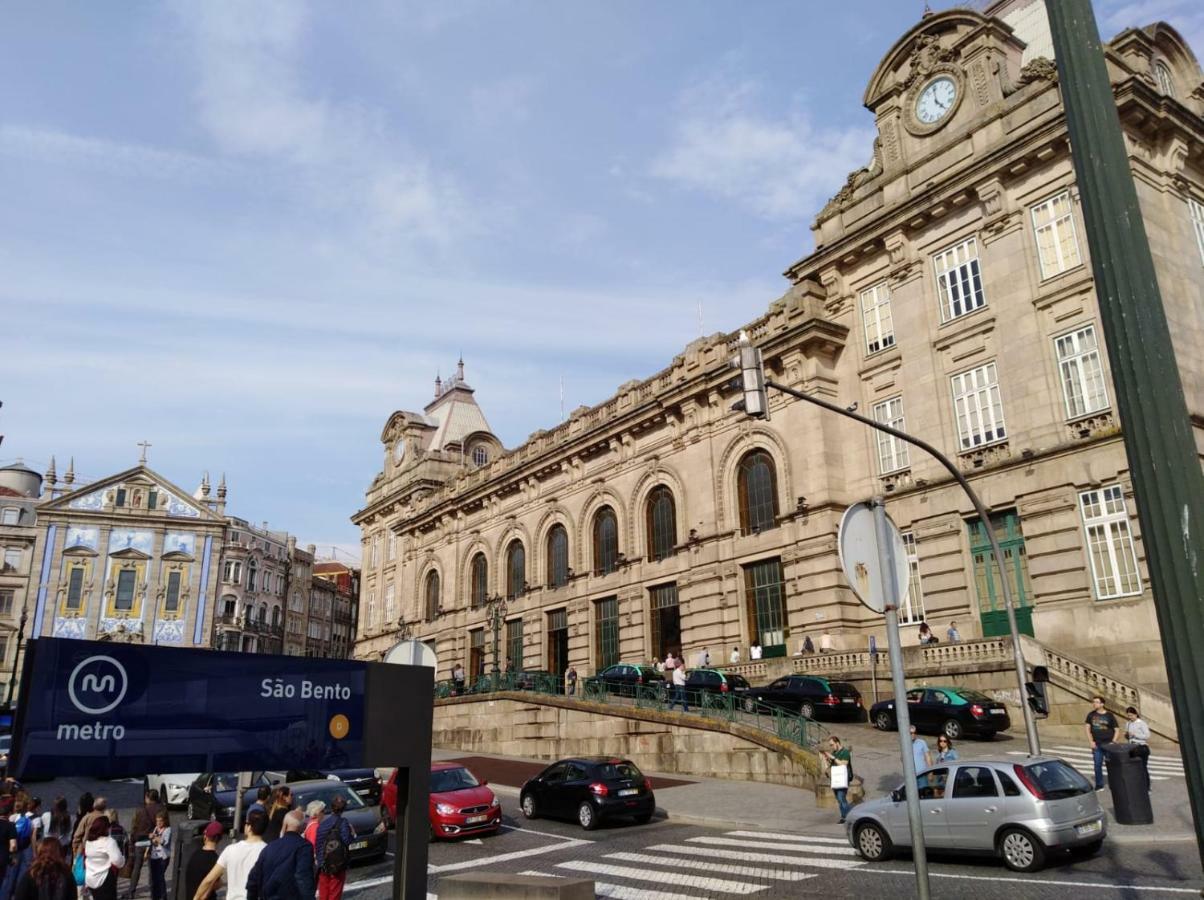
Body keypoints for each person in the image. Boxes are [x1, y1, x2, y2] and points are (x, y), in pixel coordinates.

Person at [193, 809, 267, 900]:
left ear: (249, 827)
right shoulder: (268, 851)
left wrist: (196, 897)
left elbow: (209, 879)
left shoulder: (230, 849)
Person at [245, 810, 313, 900]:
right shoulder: (304, 847)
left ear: (284, 825)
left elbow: (253, 879)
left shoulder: (269, 847)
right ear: (303, 827)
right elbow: (303, 878)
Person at [127, 789, 166, 900]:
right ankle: (154, 892)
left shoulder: (141, 810)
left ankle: (131, 892)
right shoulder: (161, 809)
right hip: (154, 843)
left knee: (136, 868)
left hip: (140, 842)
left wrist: (132, 841)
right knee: (153, 868)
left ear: (147, 797)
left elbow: (134, 827)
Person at [314, 797, 354, 900]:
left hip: (323, 861)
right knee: (335, 892)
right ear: (343, 809)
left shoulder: (323, 824)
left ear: (332, 808)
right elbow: (346, 840)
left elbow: (318, 843)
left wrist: (319, 860)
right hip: (337, 862)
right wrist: (352, 834)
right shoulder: (343, 822)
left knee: (324, 891)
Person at [83, 815, 125, 900]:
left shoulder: (88, 842)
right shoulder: (108, 842)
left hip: (90, 878)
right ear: (106, 828)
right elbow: (117, 861)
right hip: (104, 878)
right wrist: (123, 859)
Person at [1085, 696, 1119, 790]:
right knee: (1097, 765)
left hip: (1108, 744)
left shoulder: (1109, 715)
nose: (1094, 704)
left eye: (1096, 702)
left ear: (1102, 704)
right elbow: (1087, 729)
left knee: (1111, 765)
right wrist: (1091, 741)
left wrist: (1113, 741)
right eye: (1093, 702)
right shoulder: (1091, 715)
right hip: (1097, 744)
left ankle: (1114, 783)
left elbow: (1116, 729)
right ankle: (1099, 785)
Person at [183, 823, 223, 900]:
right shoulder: (215, 860)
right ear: (219, 839)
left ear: (205, 836)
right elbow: (212, 887)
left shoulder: (195, 854)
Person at [821, 736, 853, 824]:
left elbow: (844, 764)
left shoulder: (845, 752)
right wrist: (826, 759)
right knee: (839, 799)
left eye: (832, 745)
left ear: (837, 743)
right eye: (830, 745)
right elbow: (831, 765)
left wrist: (833, 758)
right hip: (835, 779)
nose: (831, 747)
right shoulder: (834, 753)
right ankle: (844, 816)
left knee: (841, 797)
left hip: (843, 779)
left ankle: (850, 817)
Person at [1125, 706, 1152, 791]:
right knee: (1133, 767)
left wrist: (1135, 735)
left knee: (1143, 767)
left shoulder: (1141, 723)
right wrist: (1127, 735)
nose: (1130, 717)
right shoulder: (1128, 723)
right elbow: (1128, 735)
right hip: (1131, 747)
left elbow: (1147, 736)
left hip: (1141, 747)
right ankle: (1136, 785)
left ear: (1136, 714)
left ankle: (1146, 787)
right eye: (1128, 716)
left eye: (1131, 715)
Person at [147, 813, 170, 900]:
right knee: (153, 878)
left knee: (160, 877)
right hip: (154, 856)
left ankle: (163, 897)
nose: (158, 823)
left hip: (163, 857)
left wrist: (155, 837)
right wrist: (151, 838)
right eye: (157, 821)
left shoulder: (168, 830)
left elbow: (165, 842)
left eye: (160, 821)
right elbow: (153, 842)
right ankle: (155, 896)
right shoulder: (156, 828)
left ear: (165, 821)